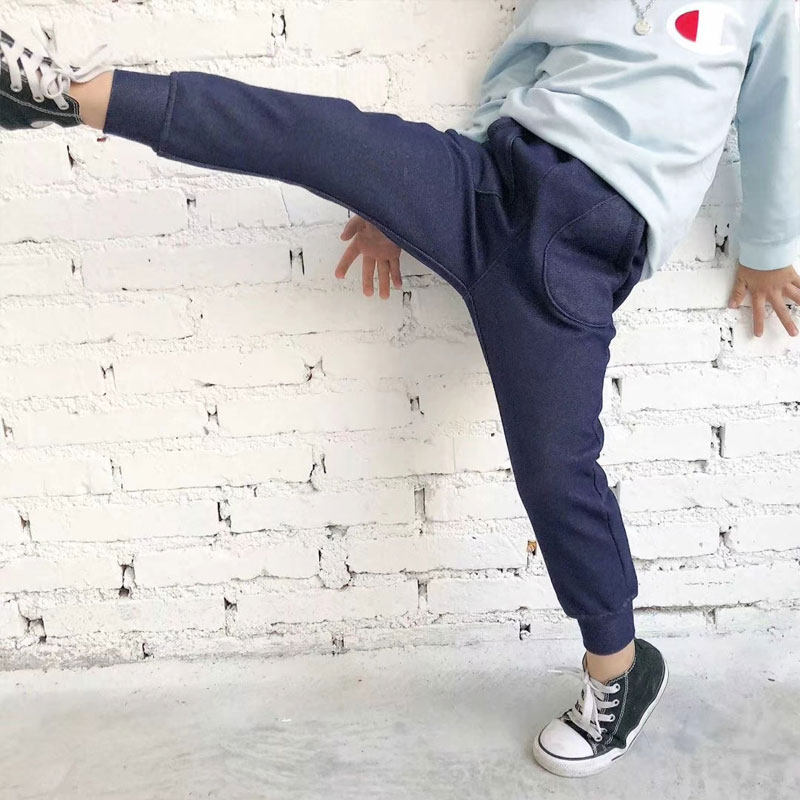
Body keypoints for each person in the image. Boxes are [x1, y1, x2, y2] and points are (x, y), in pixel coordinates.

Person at [1, 0, 798, 778]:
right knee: (311, 134)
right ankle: (67, 95)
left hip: (579, 256)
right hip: (483, 181)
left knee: (556, 474)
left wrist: (768, 247)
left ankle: (620, 671)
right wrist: (406, 205)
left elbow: (775, 112)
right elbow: (517, 70)